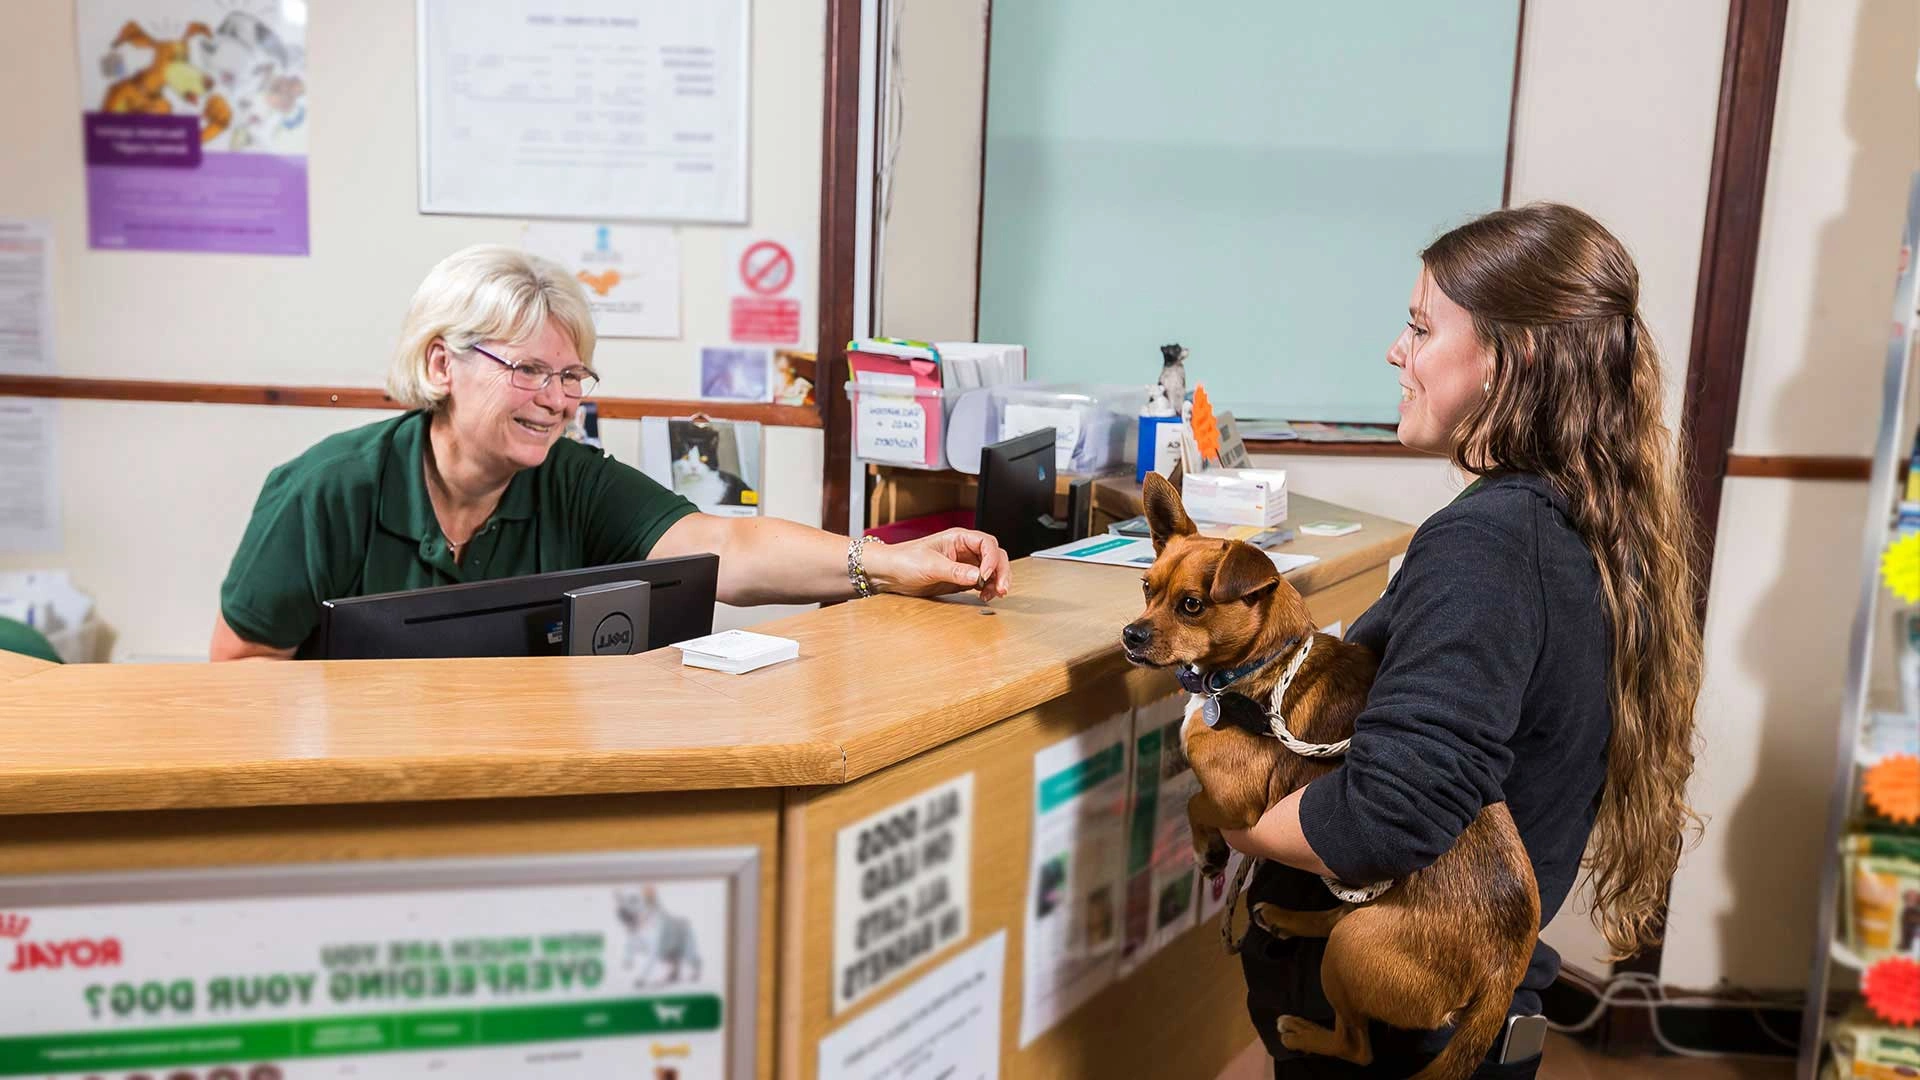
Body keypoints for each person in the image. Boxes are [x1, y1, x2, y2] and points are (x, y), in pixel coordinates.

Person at [1221, 204, 1703, 1078]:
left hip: (1410, 1043)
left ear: (1508, 359)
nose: (1395, 352)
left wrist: (1242, 825)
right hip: (1465, 1007)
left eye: (1419, 327)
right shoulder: (1572, 523)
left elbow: (1386, 814)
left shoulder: (1490, 544)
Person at [211, 245, 1011, 660]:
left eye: (570, 375)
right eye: (527, 370)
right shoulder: (327, 491)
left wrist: (891, 562)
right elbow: (241, 673)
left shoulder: (573, 481)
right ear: (440, 364)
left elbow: (725, 548)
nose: (558, 400)